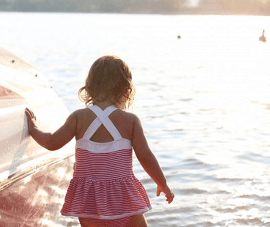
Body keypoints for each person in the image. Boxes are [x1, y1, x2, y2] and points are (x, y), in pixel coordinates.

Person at [25, 55, 174, 227]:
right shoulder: (130, 121)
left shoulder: (78, 118)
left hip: (90, 202)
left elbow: (52, 142)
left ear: (89, 87)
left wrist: (33, 130)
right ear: (125, 89)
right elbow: (146, 157)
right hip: (123, 199)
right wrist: (162, 183)